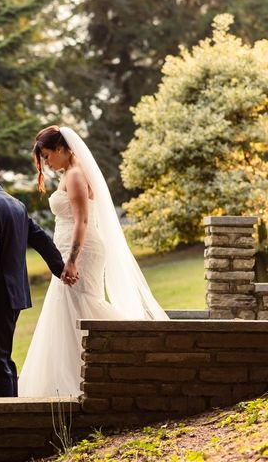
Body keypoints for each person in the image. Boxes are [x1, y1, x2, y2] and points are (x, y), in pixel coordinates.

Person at [18, 126, 169, 398]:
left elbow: (82, 221)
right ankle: (80, 374)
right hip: (71, 249)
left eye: (48, 155)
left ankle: (132, 349)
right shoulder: (71, 173)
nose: (47, 163)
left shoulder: (75, 175)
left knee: (83, 306)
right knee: (70, 308)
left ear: (63, 148)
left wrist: (72, 260)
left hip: (80, 251)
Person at [0, 150, 71, 397]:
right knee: (3, 359)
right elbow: (40, 237)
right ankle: (12, 409)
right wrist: (59, 268)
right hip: (16, 295)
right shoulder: (15, 204)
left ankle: (5, 416)